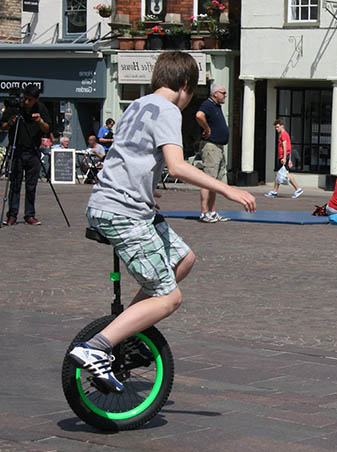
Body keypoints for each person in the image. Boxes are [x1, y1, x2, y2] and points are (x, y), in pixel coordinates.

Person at [67, 52, 256, 392]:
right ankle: (95, 347)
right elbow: (177, 166)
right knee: (170, 299)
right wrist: (227, 189)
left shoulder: (137, 105)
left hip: (118, 203)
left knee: (183, 258)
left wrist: (144, 190)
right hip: (122, 211)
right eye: (191, 94)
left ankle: (129, 329)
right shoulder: (168, 110)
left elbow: (129, 156)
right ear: (185, 85)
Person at [0, 85, 51, 226]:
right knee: (15, 184)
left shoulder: (40, 108)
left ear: (36, 99)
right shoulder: (16, 107)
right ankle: (12, 215)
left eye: (30, 100)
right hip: (17, 150)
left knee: (31, 186)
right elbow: (2, 126)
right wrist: (10, 123)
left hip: (33, 151)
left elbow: (48, 128)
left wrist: (40, 121)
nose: (27, 102)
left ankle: (30, 214)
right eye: (25, 99)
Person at [195, 83, 231, 222]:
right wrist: (206, 128)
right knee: (207, 180)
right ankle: (204, 212)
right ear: (215, 94)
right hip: (211, 147)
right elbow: (199, 115)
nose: (225, 95)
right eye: (223, 93)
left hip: (219, 147)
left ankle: (212, 211)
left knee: (215, 182)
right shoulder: (208, 104)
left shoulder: (216, 106)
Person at [265, 119, 303, 198]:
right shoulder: (283, 134)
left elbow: (285, 147)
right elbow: (290, 147)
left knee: (285, 174)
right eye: (275, 127)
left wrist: (285, 158)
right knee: (277, 172)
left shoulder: (283, 134)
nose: (276, 129)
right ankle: (274, 191)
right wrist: (289, 159)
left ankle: (298, 189)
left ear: (282, 126)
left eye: (278, 127)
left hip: (283, 157)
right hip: (283, 157)